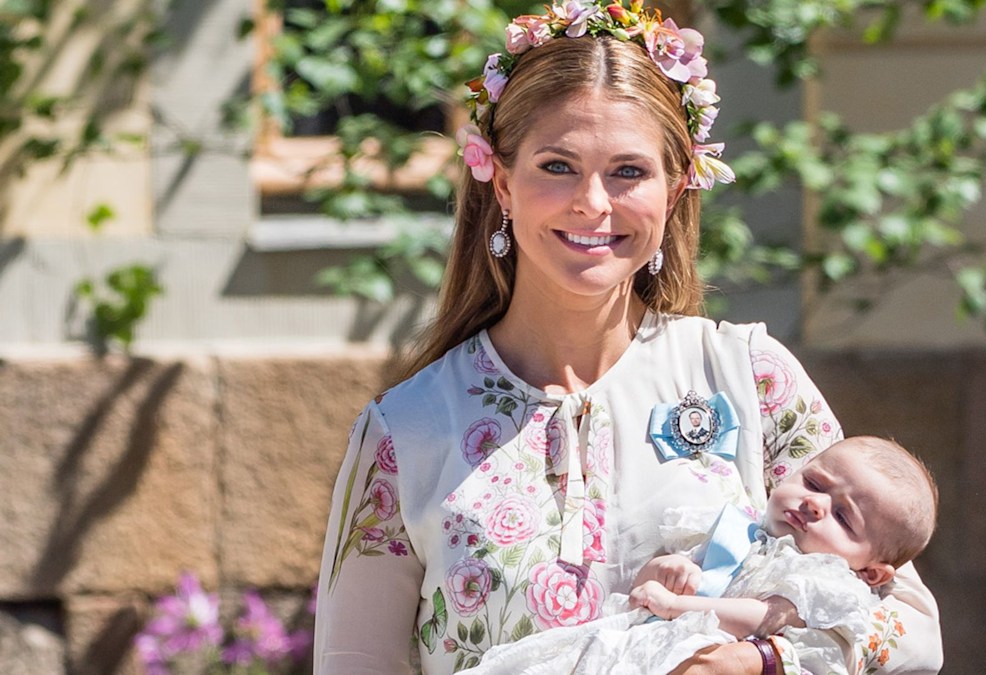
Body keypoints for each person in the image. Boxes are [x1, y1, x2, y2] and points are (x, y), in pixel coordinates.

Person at [313, 2, 943, 674]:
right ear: (501, 183)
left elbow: (907, 632)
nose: (593, 201)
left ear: (674, 191)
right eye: (557, 165)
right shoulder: (407, 431)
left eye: (629, 171)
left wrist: (754, 661)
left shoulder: (749, 377)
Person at [457, 436, 938, 675]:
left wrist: (680, 606)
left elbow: (763, 616)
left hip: (693, 650)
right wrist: (663, 573)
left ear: (873, 570)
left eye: (844, 517)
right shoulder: (733, 528)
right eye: (813, 483)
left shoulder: (828, 581)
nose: (814, 503)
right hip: (634, 644)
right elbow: (644, 589)